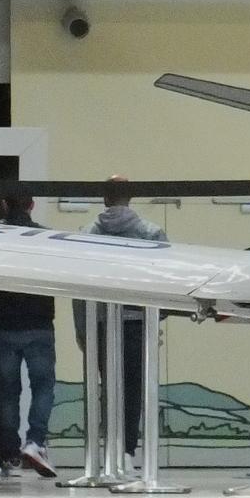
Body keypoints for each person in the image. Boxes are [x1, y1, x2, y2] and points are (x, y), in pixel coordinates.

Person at [83, 177, 167, 460]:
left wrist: (83, 330)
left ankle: (108, 450)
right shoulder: (151, 233)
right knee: (133, 389)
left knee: (107, 388)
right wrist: (156, 323)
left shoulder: (87, 234)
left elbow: (78, 287)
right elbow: (164, 283)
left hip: (100, 323)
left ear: (104, 198)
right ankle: (128, 452)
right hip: (138, 323)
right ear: (131, 198)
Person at [0, 195, 57, 479]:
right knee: (43, 386)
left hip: (3, 324)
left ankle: (10, 454)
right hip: (38, 323)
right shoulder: (45, 237)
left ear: (4, 204)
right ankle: (35, 442)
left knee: (7, 391)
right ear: (31, 206)